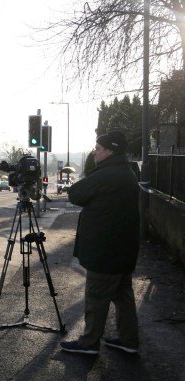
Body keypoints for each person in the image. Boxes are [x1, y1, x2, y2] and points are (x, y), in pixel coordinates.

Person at [60, 130, 140, 355]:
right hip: (124, 248)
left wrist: (89, 175)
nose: (94, 152)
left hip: (106, 250)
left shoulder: (107, 174)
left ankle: (89, 343)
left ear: (110, 150)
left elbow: (76, 194)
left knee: (96, 297)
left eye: (98, 149)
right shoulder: (126, 172)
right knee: (123, 295)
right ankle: (129, 340)